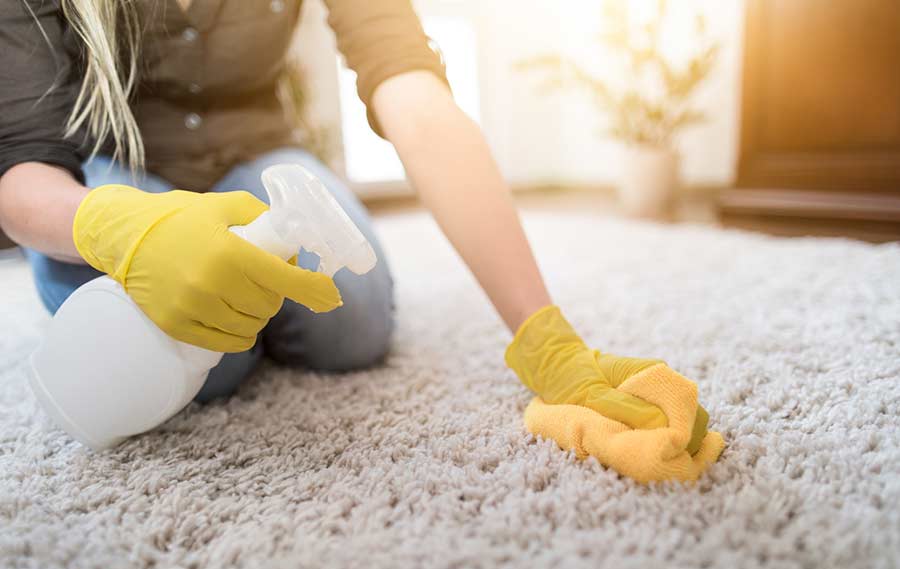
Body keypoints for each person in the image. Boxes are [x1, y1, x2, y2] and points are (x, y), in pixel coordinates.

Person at [0, 0, 722, 482]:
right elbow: (20, 162)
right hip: (117, 166)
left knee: (353, 327)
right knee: (206, 364)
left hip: (256, 149)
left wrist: (544, 335)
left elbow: (412, 92)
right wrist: (120, 228)